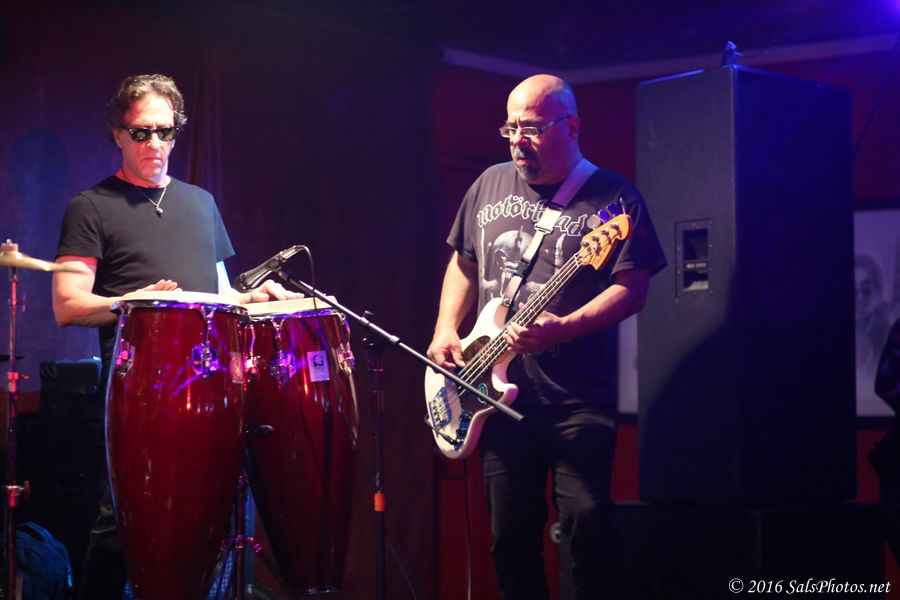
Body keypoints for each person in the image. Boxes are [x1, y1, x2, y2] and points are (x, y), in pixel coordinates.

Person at [51, 73, 295, 600]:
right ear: (118, 134)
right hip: (139, 391)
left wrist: (250, 300)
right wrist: (136, 301)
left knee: (209, 518)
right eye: (142, 132)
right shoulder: (90, 206)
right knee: (121, 521)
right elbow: (68, 305)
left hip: (210, 387)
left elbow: (220, 293)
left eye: (165, 132)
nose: (155, 143)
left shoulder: (200, 202)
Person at [426, 74, 666, 599]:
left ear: (571, 127)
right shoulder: (487, 184)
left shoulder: (615, 198)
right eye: (510, 128)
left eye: (531, 129)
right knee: (510, 539)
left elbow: (632, 290)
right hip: (492, 396)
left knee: (588, 526)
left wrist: (567, 326)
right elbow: (464, 263)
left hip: (577, 398)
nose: (518, 141)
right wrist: (446, 328)